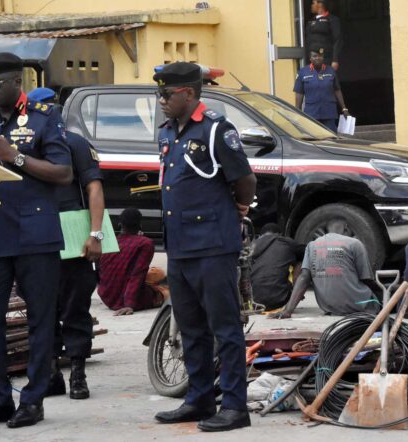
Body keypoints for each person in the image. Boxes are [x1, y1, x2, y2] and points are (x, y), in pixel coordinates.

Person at [0, 53, 73, 428]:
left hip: (35, 233)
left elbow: (62, 172)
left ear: (17, 83)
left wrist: (16, 157)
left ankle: (34, 398)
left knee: (41, 319)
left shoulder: (45, 118)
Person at [152, 62, 256, 432]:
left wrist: (239, 207)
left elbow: (244, 179)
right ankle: (198, 398)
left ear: (190, 94)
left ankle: (234, 406)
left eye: (167, 94)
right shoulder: (167, 133)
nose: (161, 100)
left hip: (213, 245)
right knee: (192, 328)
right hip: (179, 246)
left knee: (225, 328)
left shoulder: (216, 130)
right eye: (159, 93)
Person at [25, 88, 105, 401]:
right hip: (35, 239)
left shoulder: (75, 143)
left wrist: (95, 234)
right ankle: (53, 375)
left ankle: (78, 374)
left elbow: (94, 189)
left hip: (72, 238)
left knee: (75, 308)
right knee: (41, 311)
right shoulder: (25, 147)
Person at [269, 219, 380, 318]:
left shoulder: (312, 245)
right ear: (346, 228)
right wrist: (382, 289)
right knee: (384, 298)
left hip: (331, 308)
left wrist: (288, 310)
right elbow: (366, 279)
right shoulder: (354, 243)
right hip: (359, 306)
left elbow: (304, 278)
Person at [97, 208, 164, 315]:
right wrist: (129, 304)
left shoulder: (111, 241)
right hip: (127, 299)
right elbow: (137, 274)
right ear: (140, 225)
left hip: (107, 297)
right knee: (164, 289)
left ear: (120, 224)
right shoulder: (145, 243)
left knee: (156, 273)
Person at [250, 223, 305, 311]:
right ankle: (296, 293)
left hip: (254, 303)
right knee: (302, 261)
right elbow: (308, 252)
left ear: (260, 235)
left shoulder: (251, 246)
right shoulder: (284, 241)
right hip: (279, 301)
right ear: (279, 234)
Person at [293, 45, 349, 132]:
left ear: (323, 57)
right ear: (310, 58)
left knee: (331, 140)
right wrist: (297, 112)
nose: (317, 58)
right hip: (311, 114)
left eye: (320, 56)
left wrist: (344, 108)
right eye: (314, 56)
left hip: (329, 113)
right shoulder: (303, 72)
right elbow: (299, 93)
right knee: (314, 140)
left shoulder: (331, 71)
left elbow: (337, 90)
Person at [305, 0, 343, 70]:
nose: (311, 5)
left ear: (320, 4)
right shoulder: (310, 21)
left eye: (313, 3)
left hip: (326, 58)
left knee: (327, 79)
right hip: (311, 59)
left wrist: (335, 59)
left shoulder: (332, 19)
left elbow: (337, 40)